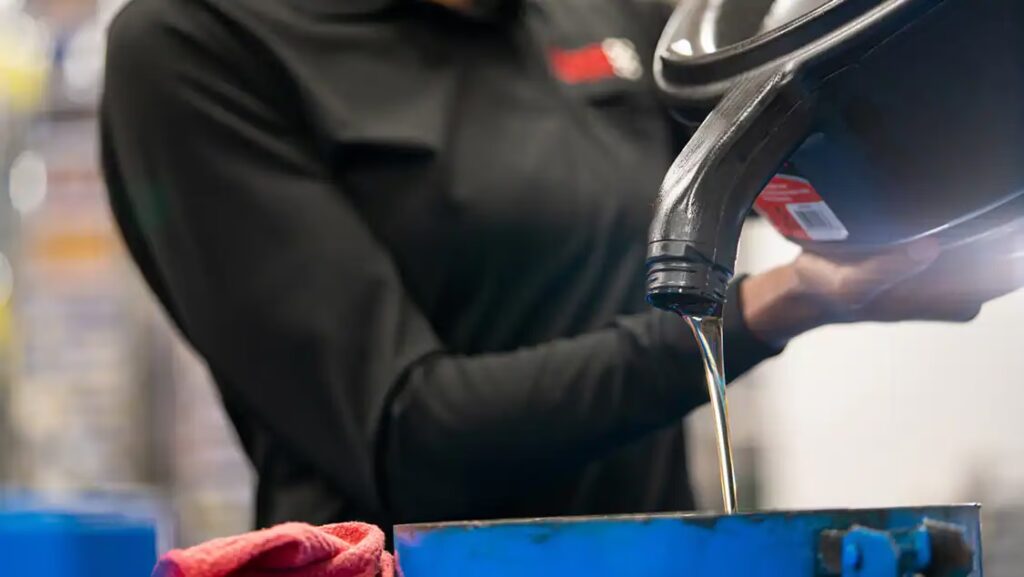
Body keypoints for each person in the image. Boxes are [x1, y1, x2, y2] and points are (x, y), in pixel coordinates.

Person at [99, 0, 1024, 531]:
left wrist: (945, 195)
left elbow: (819, 127)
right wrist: (769, 307)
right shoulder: (197, 46)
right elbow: (409, 439)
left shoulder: (597, 13)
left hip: (647, 554)